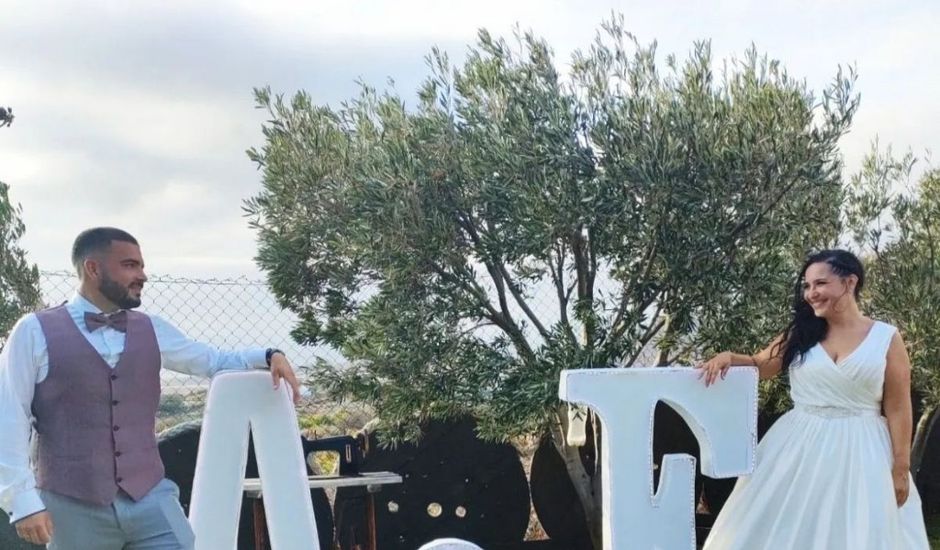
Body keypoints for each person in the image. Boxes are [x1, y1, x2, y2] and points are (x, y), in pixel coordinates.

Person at [0, 227, 302, 549]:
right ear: (93, 268)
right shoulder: (33, 332)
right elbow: (8, 415)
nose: (142, 275)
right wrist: (22, 501)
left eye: (142, 266)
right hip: (71, 504)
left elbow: (211, 360)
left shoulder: (151, 328)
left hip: (151, 497)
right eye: (130, 265)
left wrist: (268, 355)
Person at [696, 249, 930, 549]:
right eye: (806, 286)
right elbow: (763, 364)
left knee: (859, 528)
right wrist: (730, 357)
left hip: (864, 448)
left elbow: (898, 406)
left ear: (849, 283)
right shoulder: (801, 332)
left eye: (820, 284)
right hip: (799, 443)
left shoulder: (886, 337)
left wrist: (900, 467)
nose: (811, 293)